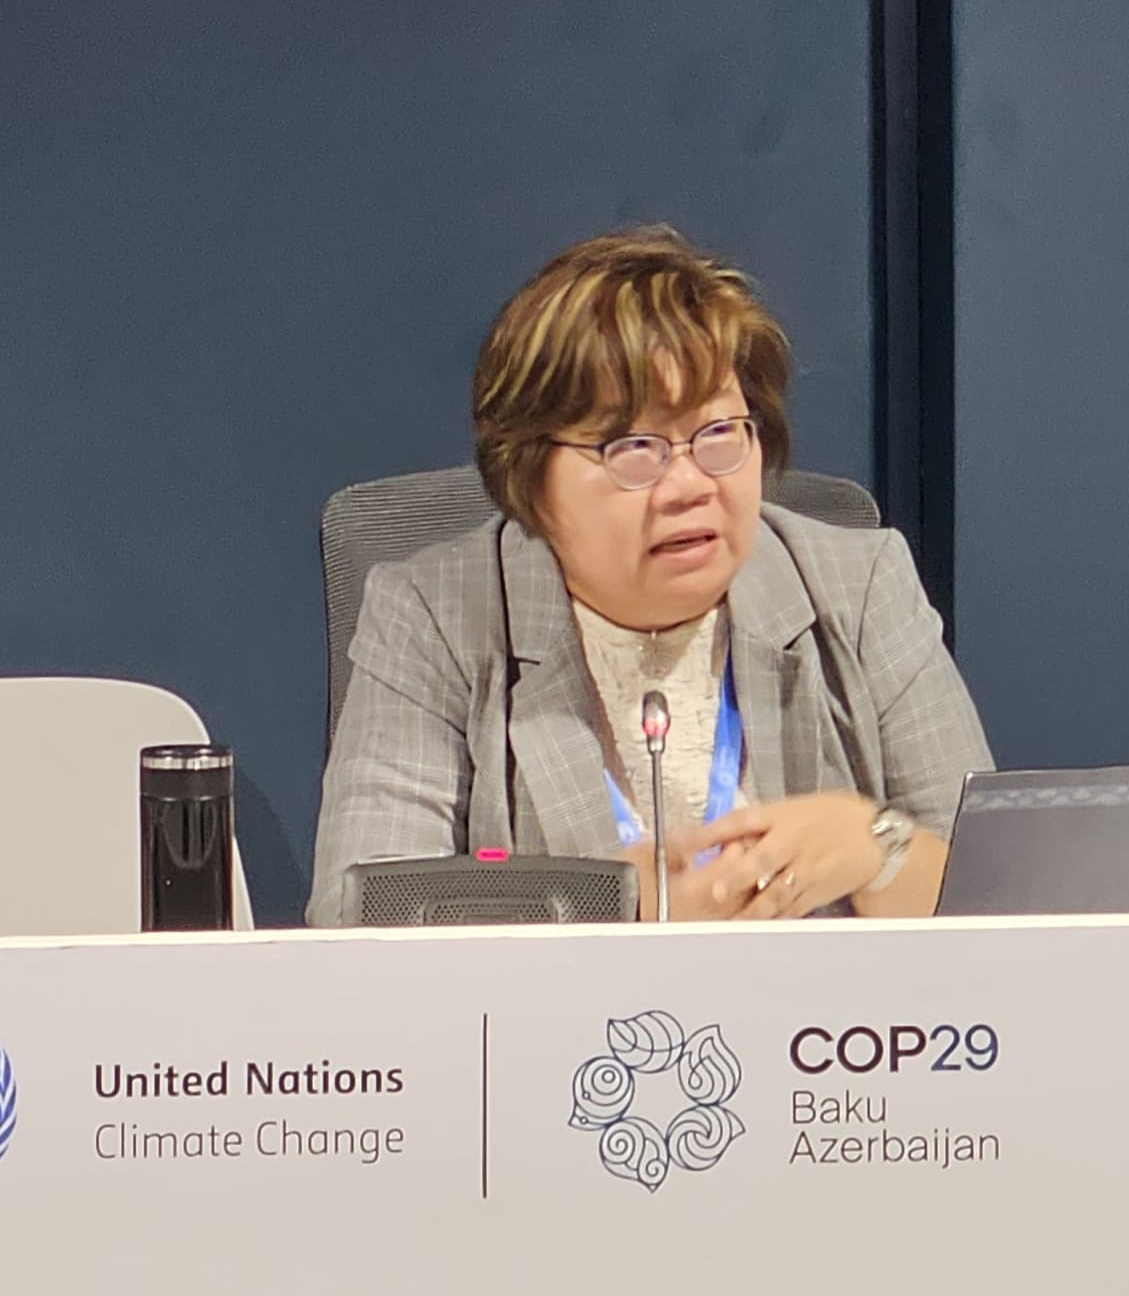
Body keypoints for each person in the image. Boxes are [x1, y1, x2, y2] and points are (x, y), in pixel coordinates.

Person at [308, 225, 989, 926]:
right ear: (529, 477)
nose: (689, 485)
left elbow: (1008, 896)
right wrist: (612, 903)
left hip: (823, 1030)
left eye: (720, 434)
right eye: (636, 448)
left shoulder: (859, 585)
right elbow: (357, 914)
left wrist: (879, 847)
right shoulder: (434, 617)